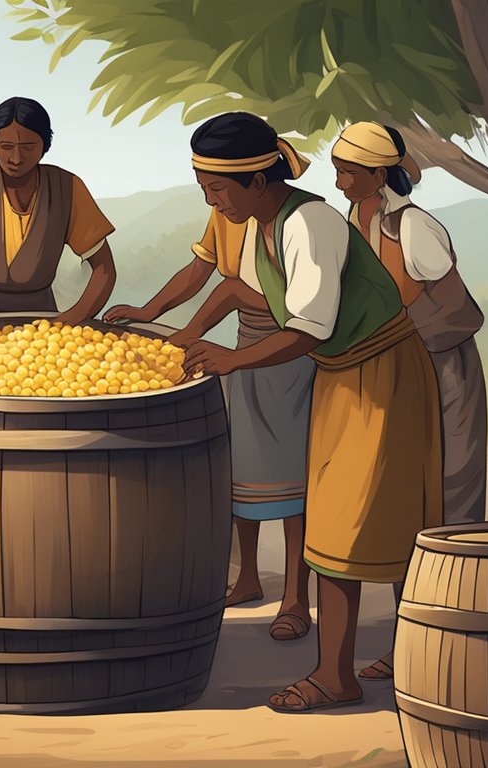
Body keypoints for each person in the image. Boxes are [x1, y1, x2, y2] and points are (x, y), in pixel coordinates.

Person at [177, 112, 443, 713]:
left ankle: (338, 674)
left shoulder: (310, 223)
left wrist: (233, 360)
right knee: (340, 519)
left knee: (360, 521)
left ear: (258, 180)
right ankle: (392, 657)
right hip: (342, 373)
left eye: (219, 189)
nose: (213, 201)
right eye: (204, 190)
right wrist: (188, 334)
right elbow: (246, 292)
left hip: (382, 372)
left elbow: (308, 327)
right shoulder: (263, 226)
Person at [105, 210, 315, 643]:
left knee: (295, 481)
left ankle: (295, 596)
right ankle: (249, 578)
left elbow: (243, 292)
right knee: (243, 472)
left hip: (288, 351)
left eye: (217, 186)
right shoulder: (226, 214)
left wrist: (190, 332)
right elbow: (201, 270)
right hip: (244, 349)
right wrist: (150, 310)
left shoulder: (298, 222)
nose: (212, 198)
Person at [331, 121, 488, 683]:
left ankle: (453, 645)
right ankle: (411, 645)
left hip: (442, 372)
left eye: (350, 171)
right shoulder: (356, 219)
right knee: (405, 503)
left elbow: (449, 307)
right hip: (396, 368)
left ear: (378, 174)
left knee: (445, 500)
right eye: (338, 170)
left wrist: (391, 338)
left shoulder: (414, 227)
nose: (341, 180)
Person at [0, 97, 116, 331]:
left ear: (45, 145)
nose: (16, 158)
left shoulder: (68, 188)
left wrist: (72, 318)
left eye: (28, 147)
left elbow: (104, 267)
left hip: (41, 314)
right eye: (6, 147)